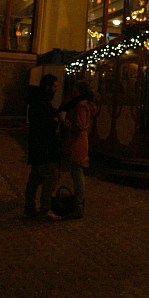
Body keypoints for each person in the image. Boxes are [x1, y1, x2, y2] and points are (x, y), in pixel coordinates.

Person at [24, 74, 61, 220]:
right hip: (44, 147)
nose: (56, 89)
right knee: (50, 177)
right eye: (54, 87)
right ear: (48, 87)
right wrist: (55, 121)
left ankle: (29, 207)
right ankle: (45, 209)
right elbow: (45, 125)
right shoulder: (42, 103)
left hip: (37, 146)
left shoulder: (37, 101)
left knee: (35, 178)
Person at [60, 81, 98, 219]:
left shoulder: (82, 106)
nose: (73, 93)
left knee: (77, 173)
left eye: (75, 91)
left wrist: (64, 121)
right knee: (76, 172)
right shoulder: (83, 105)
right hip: (78, 140)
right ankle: (78, 205)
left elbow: (79, 126)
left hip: (78, 141)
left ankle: (78, 207)